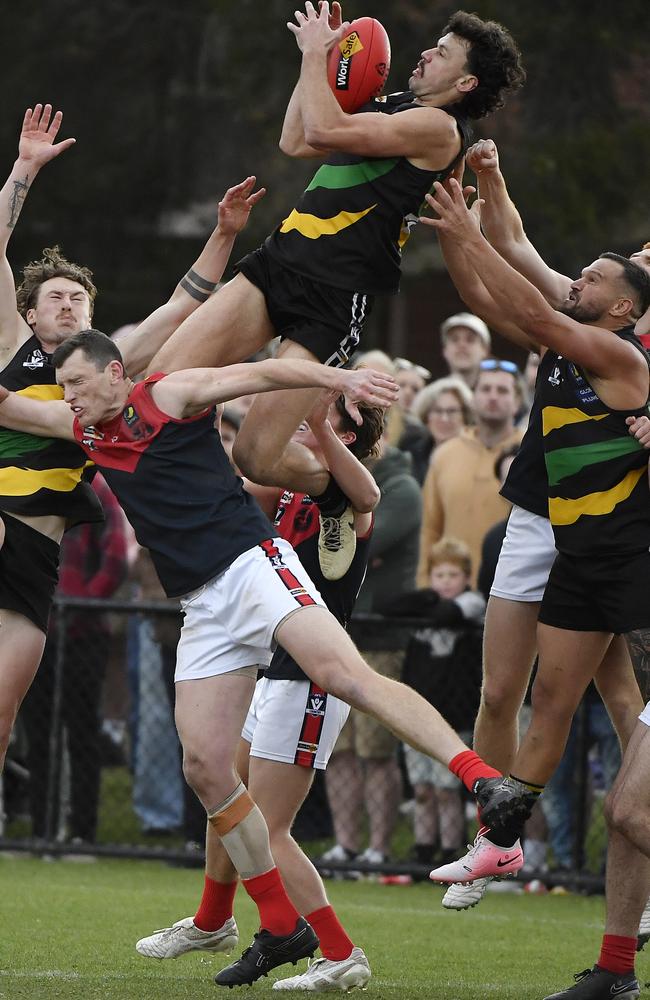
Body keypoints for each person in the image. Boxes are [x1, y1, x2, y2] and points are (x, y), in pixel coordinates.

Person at [0, 330, 518, 986]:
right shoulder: (87, 427)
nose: (68, 398)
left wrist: (341, 381)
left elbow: (260, 373)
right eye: (63, 389)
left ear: (112, 373)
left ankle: (482, 780)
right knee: (206, 767)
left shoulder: (165, 393)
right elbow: (12, 408)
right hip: (202, 604)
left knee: (343, 674)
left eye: (76, 384)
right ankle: (278, 925)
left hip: (251, 566)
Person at [146, 4, 525, 577]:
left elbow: (324, 128)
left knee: (255, 455)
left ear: (465, 83)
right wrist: (318, 68)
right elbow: (297, 140)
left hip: (332, 299)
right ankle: (195, 501)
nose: (424, 53)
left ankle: (332, 496)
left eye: (442, 52)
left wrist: (316, 54)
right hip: (276, 264)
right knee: (161, 388)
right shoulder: (397, 106)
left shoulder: (439, 129)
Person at [0, 102, 266, 775]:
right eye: (54, 297)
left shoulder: (110, 366)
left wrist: (224, 232)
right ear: (28, 311)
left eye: (78, 299)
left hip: (36, 551)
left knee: (1, 724)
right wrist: (24, 170)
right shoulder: (10, 344)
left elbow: (185, 302)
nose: (66, 305)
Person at [421, 167, 650, 902]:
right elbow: (506, 275)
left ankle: (635, 868)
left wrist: (466, 230)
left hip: (621, 535)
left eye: (595, 275)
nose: (577, 280)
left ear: (624, 301)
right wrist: (477, 205)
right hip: (552, 520)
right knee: (519, 692)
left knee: (627, 704)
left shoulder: (613, 343)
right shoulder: (585, 321)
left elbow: (535, 302)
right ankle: (496, 842)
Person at [136, 389, 382, 992]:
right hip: (271, 667)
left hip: (310, 680)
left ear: (345, 434)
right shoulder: (290, 485)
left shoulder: (347, 493)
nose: (303, 419)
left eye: (328, 415)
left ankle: (340, 950)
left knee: (268, 830)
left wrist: (319, 423)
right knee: (227, 802)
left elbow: (369, 496)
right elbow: (235, 480)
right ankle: (211, 920)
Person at [321, 420, 422, 868]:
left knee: (375, 750)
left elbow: (357, 545)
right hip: (332, 629)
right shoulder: (322, 476)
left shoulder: (401, 487)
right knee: (336, 749)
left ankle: (379, 850)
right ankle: (346, 845)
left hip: (380, 635)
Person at [19, 473, 127, 843]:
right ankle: (41, 830)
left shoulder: (96, 490)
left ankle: (83, 832)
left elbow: (114, 561)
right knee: (38, 734)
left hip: (84, 635)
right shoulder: (26, 488)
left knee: (82, 734)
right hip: (34, 629)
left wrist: (80, 607)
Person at [381, 538, 484, 869]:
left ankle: (452, 849)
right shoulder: (426, 600)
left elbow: (447, 613)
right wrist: (427, 596)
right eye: (438, 575)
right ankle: (423, 848)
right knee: (423, 788)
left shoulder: (473, 602)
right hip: (418, 714)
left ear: (466, 578)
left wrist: (428, 604)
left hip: (455, 715)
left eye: (453, 575)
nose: (445, 583)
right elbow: (391, 606)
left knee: (446, 789)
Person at [416, 359, 522, 588]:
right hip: (452, 593)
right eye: (485, 389)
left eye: (502, 390)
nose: (493, 396)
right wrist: (425, 584)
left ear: (518, 402)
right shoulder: (444, 454)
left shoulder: (531, 452)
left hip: (513, 589)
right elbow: (429, 528)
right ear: (472, 399)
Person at [439, 311, 491, 387]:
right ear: (444, 350)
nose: (462, 345)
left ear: (485, 350)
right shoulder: (429, 396)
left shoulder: (496, 394)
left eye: (470, 339)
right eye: (454, 339)